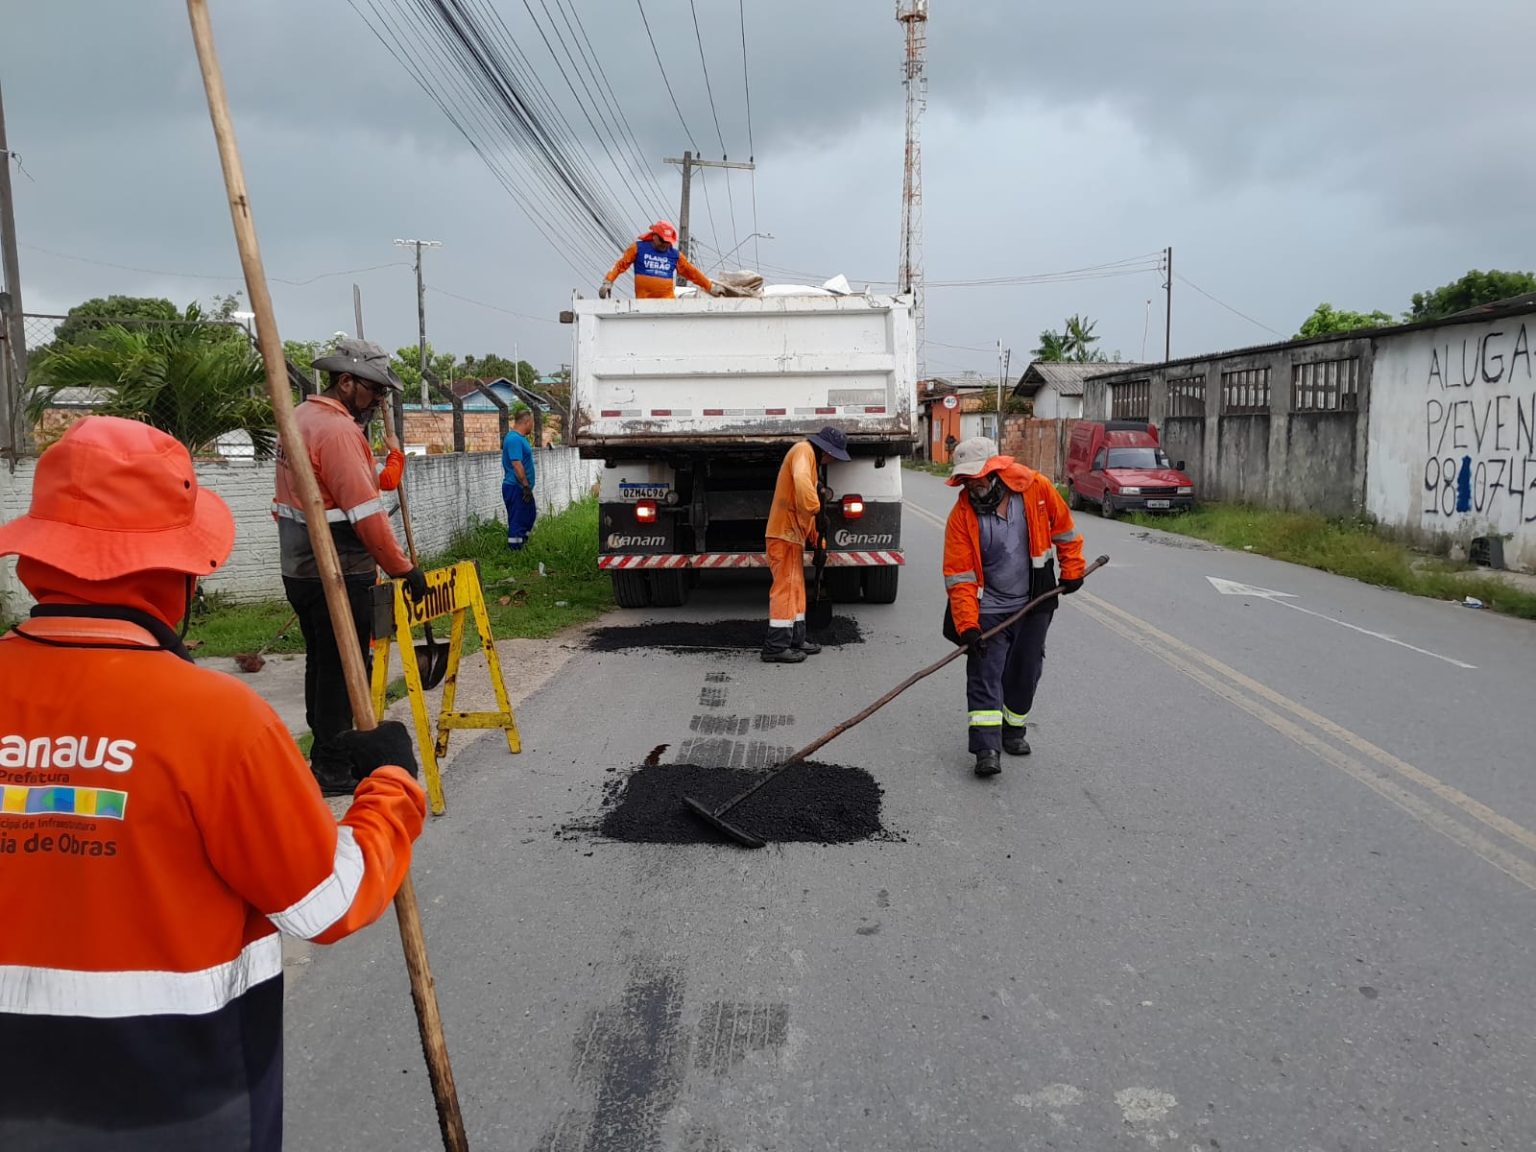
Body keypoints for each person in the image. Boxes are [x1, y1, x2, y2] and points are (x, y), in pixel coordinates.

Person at [0, 415, 426, 1151]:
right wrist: (392, 786)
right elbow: (327, 902)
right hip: (180, 1111)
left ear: (38, 554)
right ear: (181, 572)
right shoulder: (219, 723)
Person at [275, 338, 427, 796]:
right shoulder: (339, 432)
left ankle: (325, 757)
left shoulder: (299, 417)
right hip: (338, 572)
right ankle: (334, 766)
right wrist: (403, 569)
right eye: (374, 390)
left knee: (323, 666)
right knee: (343, 672)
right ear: (345, 382)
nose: (379, 400)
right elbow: (367, 517)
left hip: (301, 570)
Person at [942, 436, 1085, 778]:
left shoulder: (1036, 490)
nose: (972, 485)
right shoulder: (961, 516)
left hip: (1034, 601)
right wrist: (968, 626)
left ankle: (1013, 729)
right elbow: (960, 578)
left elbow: (1065, 531)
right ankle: (986, 748)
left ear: (996, 472)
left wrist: (1073, 570)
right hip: (988, 608)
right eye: (966, 479)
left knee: (1026, 670)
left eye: (977, 477)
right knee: (984, 672)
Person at [763, 426, 850, 663]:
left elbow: (805, 511)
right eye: (834, 455)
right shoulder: (803, 451)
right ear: (827, 450)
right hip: (783, 534)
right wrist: (817, 510)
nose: (834, 461)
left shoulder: (811, 461)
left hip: (792, 536)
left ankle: (796, 639)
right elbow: (802, 486)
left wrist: (819, 542)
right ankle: (775, 647)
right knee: (785, 589)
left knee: (796, 590)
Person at [599, 220, 724, 300]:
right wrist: (608, 281)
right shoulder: (638, 248)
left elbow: (692, 273)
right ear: (654, 236)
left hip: (667, 305)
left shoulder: (674, 255)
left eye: (668, 242)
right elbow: (620, 264)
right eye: (663, 241)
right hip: (643, 304)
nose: (665, 245)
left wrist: (710, 287)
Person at [502, 406, 538, 550]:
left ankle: (522, 542)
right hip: (516, 487)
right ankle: (515, 549)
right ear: (527, 422)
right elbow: (517, 464)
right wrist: (525, 485)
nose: (532, 426)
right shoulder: (514, 439)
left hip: (521, 487)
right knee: (517, 519)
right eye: (532, 423)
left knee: (529, 515)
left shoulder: (520, 439)